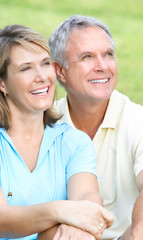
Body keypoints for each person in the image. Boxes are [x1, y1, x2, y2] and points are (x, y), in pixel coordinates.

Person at [0, 24, 113, 240]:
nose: (42, 76)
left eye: (45, 64)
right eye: (26, 68)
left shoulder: (74, 142)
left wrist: (79, 225)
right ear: (0, 83)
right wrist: (61, 211)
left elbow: (87, 196)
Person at [48, 15, 143, 240]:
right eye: (87, 57)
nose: (102, 66)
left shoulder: (136, 120)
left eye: (108, 54)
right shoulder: (45, 124)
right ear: (60, 70)